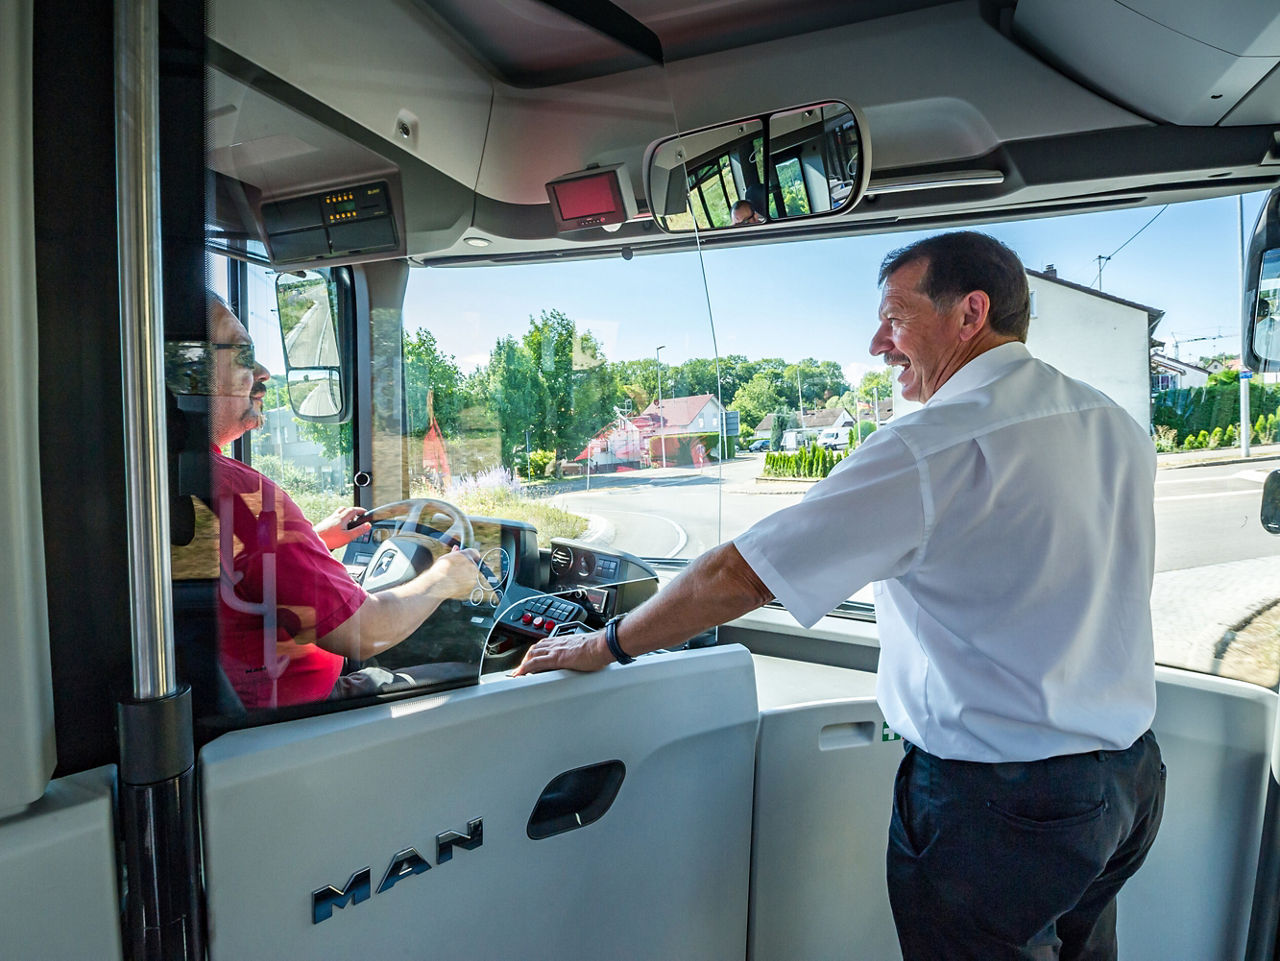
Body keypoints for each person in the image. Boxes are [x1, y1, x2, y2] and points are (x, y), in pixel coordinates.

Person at [515, 231, 1165, 961]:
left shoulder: (932, 443)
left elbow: (743, 572)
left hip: (1002, 806)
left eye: (894, 318)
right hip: (1129, 782)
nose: (877, 343)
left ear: (970, 313)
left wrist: (606, 643)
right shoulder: (1113, 423)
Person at [175, 295, 481, 710]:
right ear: (186, 373)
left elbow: (219, 571)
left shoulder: (160, 480)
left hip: (227, 717)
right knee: (470, 676)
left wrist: (314, 540)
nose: (263, 373)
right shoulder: (236, 493)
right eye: (244, 355)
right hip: (297, 720)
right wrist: (445, 578)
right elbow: (365, 632)